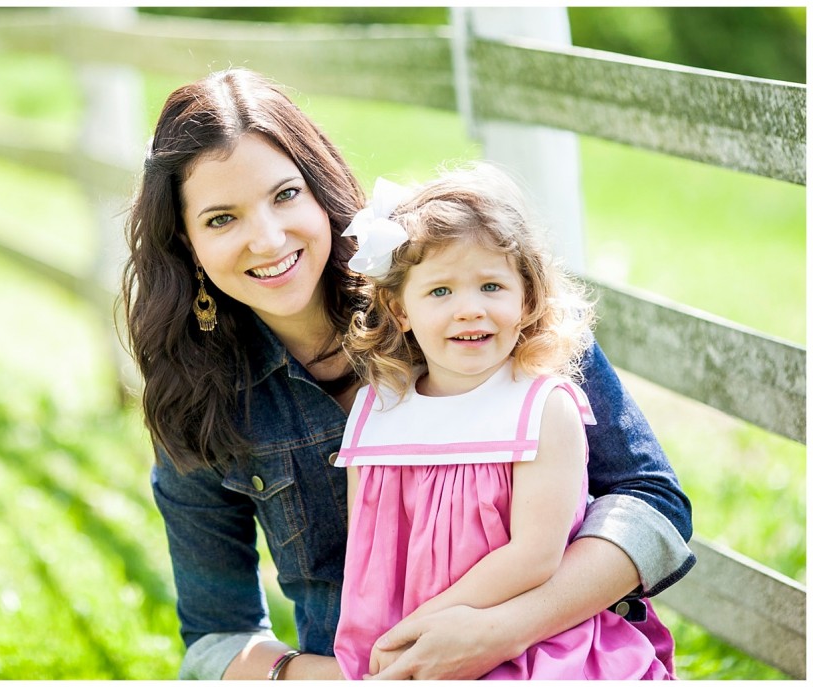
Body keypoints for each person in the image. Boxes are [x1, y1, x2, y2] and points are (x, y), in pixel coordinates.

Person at [120, 67, 694, 680]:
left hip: (551, 656)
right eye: (220, 219)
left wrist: (501, 632)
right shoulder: (201, 399)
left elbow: (652, 505)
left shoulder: (459, 299)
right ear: (185, 243)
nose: (266, 238)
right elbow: (214, 641)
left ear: (322, 193)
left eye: (285, 195)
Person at [332, 167, 674, 679]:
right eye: (440, 291)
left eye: (491, 286)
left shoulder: (541, 406)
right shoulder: (378, 412)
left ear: (527, 300)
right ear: (399, 309)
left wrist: (428, 625)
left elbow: (536, 556)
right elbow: (369, 552)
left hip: (525, 643)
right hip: (400, 642)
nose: (469, 309)